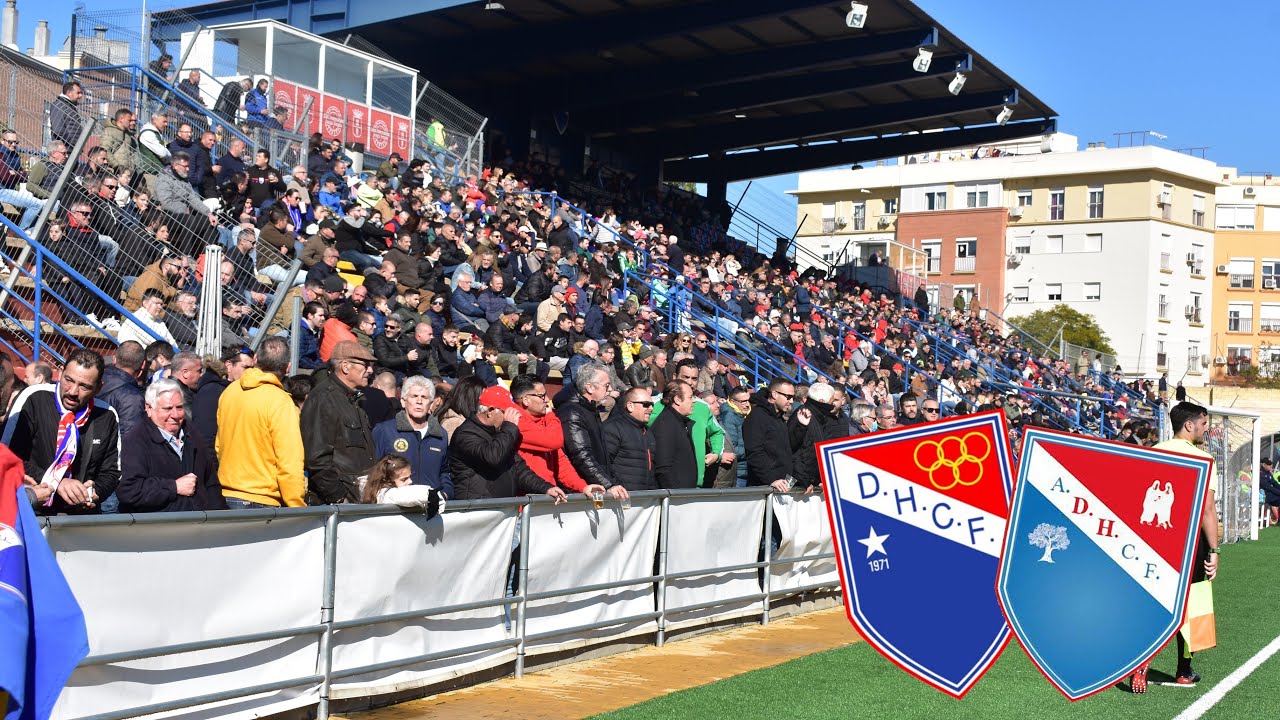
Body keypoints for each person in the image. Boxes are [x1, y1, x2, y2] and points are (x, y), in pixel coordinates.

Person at [1131, 402, 1220, 693]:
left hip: (1155, 540)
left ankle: (1141, 661)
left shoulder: (1153, 451)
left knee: (1154, 603)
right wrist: (1215, 550)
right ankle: (1183, 672)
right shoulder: (1204, 458)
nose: (1207, 430)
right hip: (1189, 543)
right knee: (1191, 606)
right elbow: (1207, 509)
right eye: (1204, 424)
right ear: (1190, 425)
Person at [2, 349, 120, 514]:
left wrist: (93, 493)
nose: (72, 392)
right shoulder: (34, 397)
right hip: (34, 512)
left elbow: (112, 471)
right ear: (61, 372)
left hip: (80, 518)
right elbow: (7, 456)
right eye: (68, 380)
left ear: (98, 388)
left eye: (84, 386)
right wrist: (57, 482)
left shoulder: (107, 415)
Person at [215, 337, 306, 508]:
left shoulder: (230, 391)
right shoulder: (282, 402)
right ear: (287, 368)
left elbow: (219, 446)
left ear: (255, 359)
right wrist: (297, 507)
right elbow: (289, 461)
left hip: (226, 494)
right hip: (261, 500)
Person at [116, 379, 225, 513]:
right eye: (167, 409)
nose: (175, 415)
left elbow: (211, 483)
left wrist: (218, 518)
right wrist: (174, 487)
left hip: (198, 525)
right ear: (149, 408)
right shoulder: (136, 441)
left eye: (179, 407)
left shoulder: (193, 434)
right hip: (160, 527)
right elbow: (129, 491)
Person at [448, 385, 568, 502]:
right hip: (475, 511)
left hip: (502, 511)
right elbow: (493, 457)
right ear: (490, 411)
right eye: (506, 412)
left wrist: (547, 488)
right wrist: (509, 427)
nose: (511, 417)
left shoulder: (501, 433)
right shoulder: (466, 434)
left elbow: (519, 469)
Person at [301, 341, 378, 504]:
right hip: (336, 506)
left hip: (358, 500)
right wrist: (339, 498)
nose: (370, 370)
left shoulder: (355, 400)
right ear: (345, 366)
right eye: (365, 364)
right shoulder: (323, 398)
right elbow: (317, 458)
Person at [556, 362, 629, 501]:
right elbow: (581, 455)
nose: (610, 389)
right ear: (589, 387)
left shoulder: (590, 410)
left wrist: (614, 482)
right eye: (606, 385)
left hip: (596, 487)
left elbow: (602, 457)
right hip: (581, 492)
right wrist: (608, 484)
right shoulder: (572, 412)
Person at [373, 375, 453, 500]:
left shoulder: (440, 434)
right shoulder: (385, 430)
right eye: (414, 396)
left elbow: (444, 471)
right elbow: (375, 471)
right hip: (395, 510)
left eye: (424, 397)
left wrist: (445, 493)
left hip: (431, 510)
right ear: (403, 401)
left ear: (431, 404)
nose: (419, 401)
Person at [510, 374, 592, 493]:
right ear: (526, 400)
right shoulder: (516, 422)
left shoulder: (542, 420)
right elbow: (554, 440)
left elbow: (561, 463)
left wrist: (582, 487)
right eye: (542, 396)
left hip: (549, 494)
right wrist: (551, 416)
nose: (548, 399)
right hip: (526, 499)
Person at [192, 347, 255, 449]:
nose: (251, 372)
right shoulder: (211, 391)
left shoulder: (243, 390)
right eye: (246, 368)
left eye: (253, 368)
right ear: (229, 366)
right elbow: (205, 436)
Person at [743, 378, 795, 492]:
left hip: (781, 486)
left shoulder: (779, 418)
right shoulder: (757, 417)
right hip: (764, 488)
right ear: (775, 394)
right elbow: (754, 453)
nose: (791, 401)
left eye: (793, 397)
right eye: (788, 397)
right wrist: (771, 479)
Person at [602, 387, 657, 491]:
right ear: (630, 406)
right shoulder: (613, 428)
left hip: (647, 499)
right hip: (622, 498)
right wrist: (615, 486)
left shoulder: (648, 432)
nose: (651, 408)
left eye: (652, 404)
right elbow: (604, 464)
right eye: (646, 404)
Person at [359, 454, 445, 516]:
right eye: (404, 479)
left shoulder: (373, 490)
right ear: (388, 481)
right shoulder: (388, 494)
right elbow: (405, 495)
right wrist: (429, 495)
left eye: (409, 477)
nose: (410, 481)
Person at [652, 380, 699, 490]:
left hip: (684, 496)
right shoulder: (665, 425)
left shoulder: (678, 422)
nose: (694, 401)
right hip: (676, 500)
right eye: (690, 397)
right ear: (677, 399)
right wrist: (675, 497)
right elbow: (663, 468)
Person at [95, 340, 147, 439]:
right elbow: (129, 439)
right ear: (143, 365)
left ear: (114, 359)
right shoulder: (133, 398)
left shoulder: (93, 381)